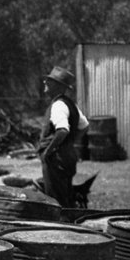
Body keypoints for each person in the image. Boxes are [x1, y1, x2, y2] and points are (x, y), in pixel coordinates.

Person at [38, 66, 91, 206]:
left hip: (56, 159)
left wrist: (48, 151)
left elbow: (62, 130)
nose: (45, 83)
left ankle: (61, 225)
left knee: (55, 200)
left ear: (57, 86)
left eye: (49, 81)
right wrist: (69, 143)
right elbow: (84, 126)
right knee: (65, 196)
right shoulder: (70, 104)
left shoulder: (58, 106)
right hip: (67, 157)